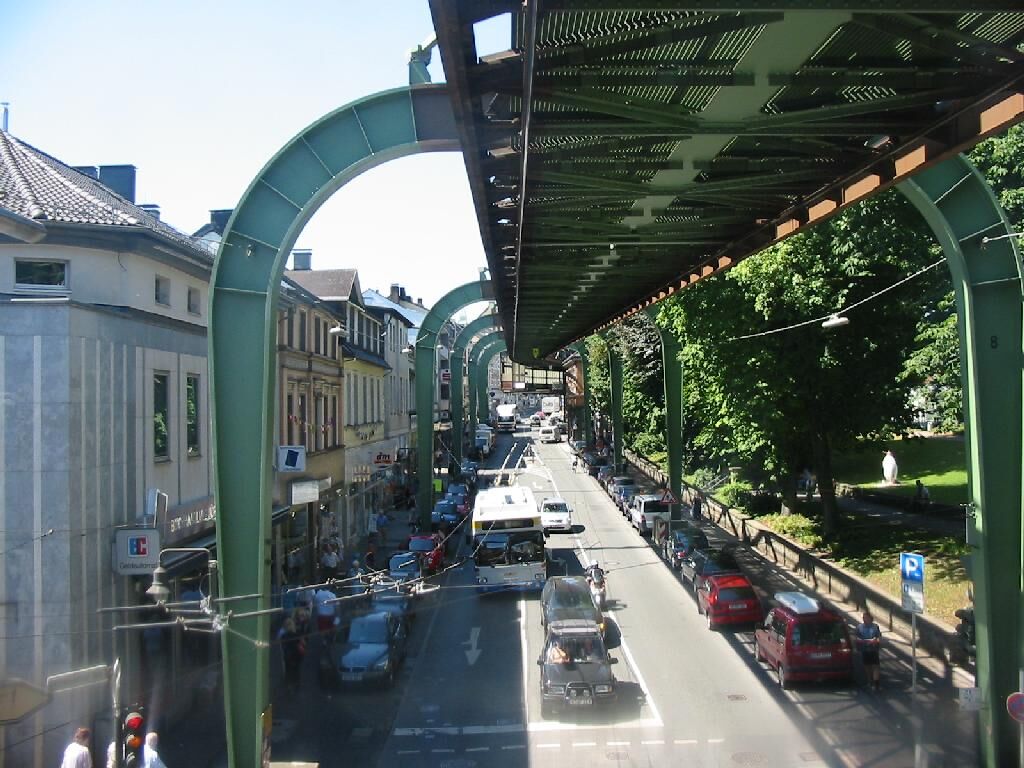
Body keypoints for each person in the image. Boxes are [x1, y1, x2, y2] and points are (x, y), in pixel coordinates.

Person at [855, 611, 883, 691]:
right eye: (864, 618)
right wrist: (860, 641)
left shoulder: (875, 627)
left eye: (866, 618)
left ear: (871, 619)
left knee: (875, 666)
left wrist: (875, 640)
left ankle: (875, 684)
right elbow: (856, 638)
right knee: (867, 667)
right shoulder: (859, 627)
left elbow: (879, 637)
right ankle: (870, 682)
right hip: (865, 649)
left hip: (873, 649)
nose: (864, 619)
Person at [278, 617, 305, 692]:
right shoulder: (297, 635)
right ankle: (296, 684)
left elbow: (282, 645)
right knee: (296, 670)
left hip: (288, 656)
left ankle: (288, 685)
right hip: (297, 656)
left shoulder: (283, 636)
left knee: (288, 670)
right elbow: (303, 643)